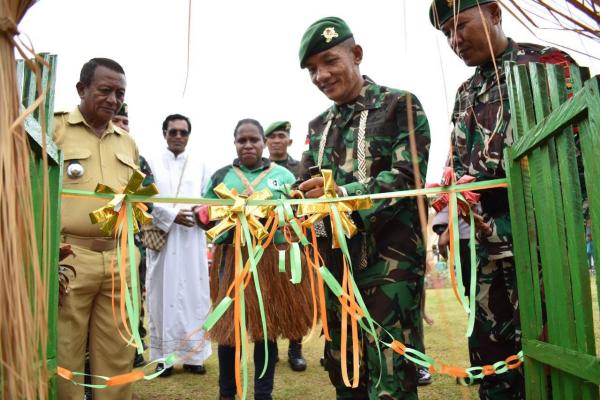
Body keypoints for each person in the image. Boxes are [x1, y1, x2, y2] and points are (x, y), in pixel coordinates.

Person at [429, 1, 575, 398]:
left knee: (550, 363)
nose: (455, 40)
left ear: (494, 13)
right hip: (484, 253)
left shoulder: (546, 65)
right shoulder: (466, 93)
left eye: (461, 25)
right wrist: (448, 219)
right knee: (492, 367)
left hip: (540, 248)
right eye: (446, 34)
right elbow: (454, 162)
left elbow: (572, 157)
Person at [297, 17, 431, 399]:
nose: (320, 76)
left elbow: (408, 178)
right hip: (335, 269)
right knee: (345, 372)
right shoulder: (318, 125)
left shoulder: (398, 105)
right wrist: (284, 209)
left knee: (391, 378)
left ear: (356, 55)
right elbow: (306, 191)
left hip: (390, 269)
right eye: (311, 70)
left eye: (329, 61)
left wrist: (340, 195)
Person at [199, 119, 313, 400]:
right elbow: (207, 213)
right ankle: (227, 393)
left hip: (271, 260)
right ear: (234, 143)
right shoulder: (222, 176)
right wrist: (205, 216)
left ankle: (264, 394)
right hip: (232, 260)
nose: (248, 145)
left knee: (266, 329)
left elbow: (297, 215)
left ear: (263, 143)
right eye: (242, 140)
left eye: (253, 140)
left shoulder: (284, 176)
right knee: (229, 330)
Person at [53, 58, 139, 400]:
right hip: (71, 257)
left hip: (119, 258)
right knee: (64, 352)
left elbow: (135, 199)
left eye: (119, 93)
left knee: (118, 353)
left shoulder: (127, 143)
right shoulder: (55, 129)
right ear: (82, 89)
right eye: (105, 90)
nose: (113, 99)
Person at [145, 114, 212, 376]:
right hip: (163, 237)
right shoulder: (149, 162)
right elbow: (142, 199)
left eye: (183, 132)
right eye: (173, 132)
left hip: (193, 240)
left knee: (195, 296)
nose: (178, 137)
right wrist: (171, 216)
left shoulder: (201, 163)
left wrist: (198, 213)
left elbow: (209, 198)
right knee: (162, 295)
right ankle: (164, 359)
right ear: (164, 133)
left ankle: (194, 357)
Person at [264, 120, 306, 372]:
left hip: (293, 241)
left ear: (289, 140)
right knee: (267, 296)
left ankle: (295, 350)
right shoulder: (259, 170)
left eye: (281, 136)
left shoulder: (300, 168)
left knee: (295, 296)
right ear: (266, 142)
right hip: (265, 243)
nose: (276, 141)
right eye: (272, 137)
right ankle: (270, 350)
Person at [112, 102, 151, 370]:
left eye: (126, 122)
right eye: (117, 120)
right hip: (93, 243)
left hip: (130, 242)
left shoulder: (138, 159)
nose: (122, 126)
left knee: (132, 298)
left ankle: (134, 345)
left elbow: (149, 198)